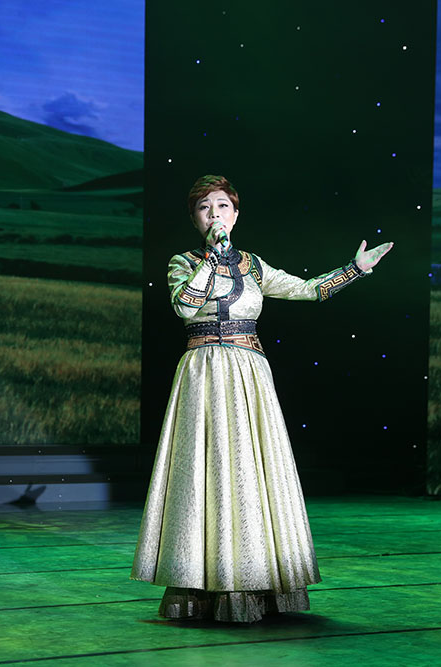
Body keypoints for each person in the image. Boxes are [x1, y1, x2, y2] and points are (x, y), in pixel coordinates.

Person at [131, 175, 393, 623]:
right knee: (205, 471)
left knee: (251, 470)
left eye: (222, 206)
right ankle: (200, 582)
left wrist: (356, 269)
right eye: (204, 208)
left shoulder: (254, 266)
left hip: (250, 373)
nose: (215, 214)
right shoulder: (183, 262)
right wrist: (213, 257)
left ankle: (259, 580)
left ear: (236, 214)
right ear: (195, 219)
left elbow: (308, 289)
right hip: (204, 371)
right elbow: (184, 305)